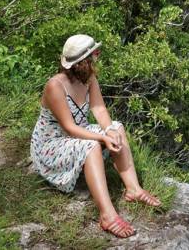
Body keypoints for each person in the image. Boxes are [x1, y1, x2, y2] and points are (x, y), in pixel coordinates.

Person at [31, 34, 161, 239]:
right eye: (95, 54)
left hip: (76, 135)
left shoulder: (89, 79)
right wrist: (101, 139)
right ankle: (107, 215)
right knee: (91, 145)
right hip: (52, 144)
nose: (98, 57)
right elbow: (69, 127)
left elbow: (99, 109)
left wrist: (109, 131)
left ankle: (133, 189)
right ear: (82, 62)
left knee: (117, 128)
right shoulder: (55, 86)